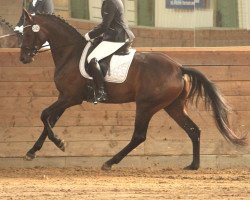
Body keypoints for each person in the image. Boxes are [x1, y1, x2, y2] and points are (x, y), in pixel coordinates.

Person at [84, 0, 135, 102]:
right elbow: (108, 22)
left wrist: (90, 35)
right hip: (116, 35)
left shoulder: (110, 2)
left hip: (116, 38)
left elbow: (105, 25)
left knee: (92, 59)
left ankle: (101, 92)